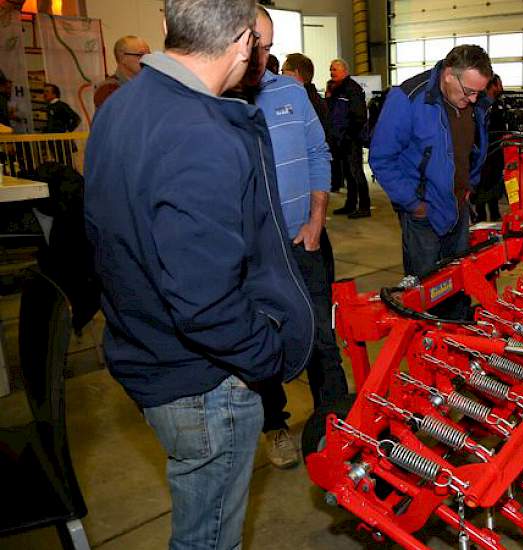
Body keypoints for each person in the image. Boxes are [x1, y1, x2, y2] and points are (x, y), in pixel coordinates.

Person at [83, 1, 314, 547]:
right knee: (208, 538)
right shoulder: (203, 134)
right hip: (203, 382)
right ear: (242, 41)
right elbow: (204, 301)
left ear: (166, 28)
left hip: (146, 350)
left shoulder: (125, 104)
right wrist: (259, 361)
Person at [250, 7, 346, 469]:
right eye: (255, 43)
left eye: (268, 44)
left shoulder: (289, 91)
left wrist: (316, 220)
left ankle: (337, 424)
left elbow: (317, 151)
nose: (263, 53)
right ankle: (274, 426)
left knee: (322, 338)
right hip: (252, 256)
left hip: (302, 242)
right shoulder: (216, 101)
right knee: (264, 343)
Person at [369, 44, 492, 318]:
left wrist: (469, 185)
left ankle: (458, 339)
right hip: (423, 213)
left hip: (459, 206)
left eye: (478, 93)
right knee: (425, 293)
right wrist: (413, 203)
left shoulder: (476, 103)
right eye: (468, 91)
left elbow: (475, 148)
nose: (473, 99)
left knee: (458, 283)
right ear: (448, 75)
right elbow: (381, 157)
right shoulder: (408, 98)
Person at [328, 59, 372, 218]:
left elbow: (359, 117)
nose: (332, 72)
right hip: (340, 140)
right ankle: (351, 204)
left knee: (356, 172)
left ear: (345, 71)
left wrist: (348, 136)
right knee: (348, 173)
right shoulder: (337, 90)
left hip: (351, 140)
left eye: (335, 69)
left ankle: (364, 207)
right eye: (331, 69)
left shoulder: (352, 89)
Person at [472, 74, 504, 223]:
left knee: (493, 185)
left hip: (494, 153)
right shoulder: (483, 106)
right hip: (485, 153)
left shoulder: (495, 105)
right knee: (483, 185)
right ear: (493, 86)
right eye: (499, 84)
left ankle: (494, 213)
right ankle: (482, 217)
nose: (502, 87)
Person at [94, 35, 151, 110]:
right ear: (122, 57)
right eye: (141, 55)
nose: (147, 60)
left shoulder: (148, 84)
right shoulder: (107, 89)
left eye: (149, 55)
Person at [281, 53, 329, 135]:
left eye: (283, 71)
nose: (281, 76)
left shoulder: (299, 102)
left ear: (295, 73)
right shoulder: (315, 99)